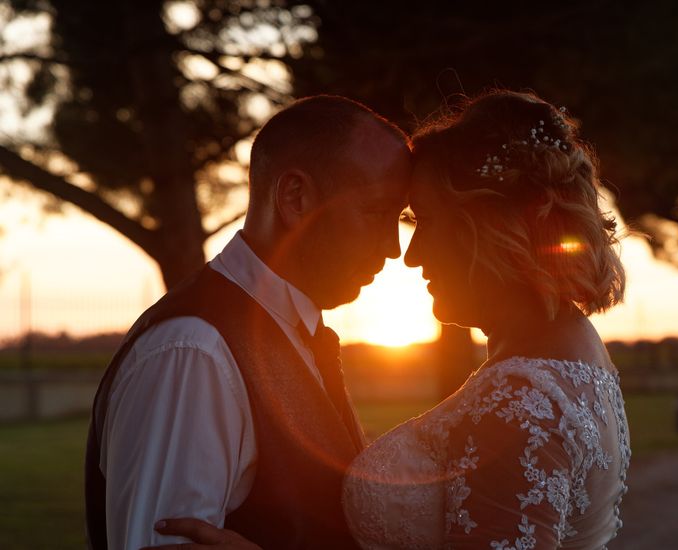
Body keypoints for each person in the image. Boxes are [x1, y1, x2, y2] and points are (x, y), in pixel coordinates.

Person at [148, 90, 631, 549]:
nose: (410, 254)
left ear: (491, 227)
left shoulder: (522, 399)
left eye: (424, 220)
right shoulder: (575, 353)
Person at [84, 95, 411, 550]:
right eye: (377, 213)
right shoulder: (193, 353)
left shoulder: (297, 335)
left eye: (399, 218)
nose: (394, 247)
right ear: (295, 197)